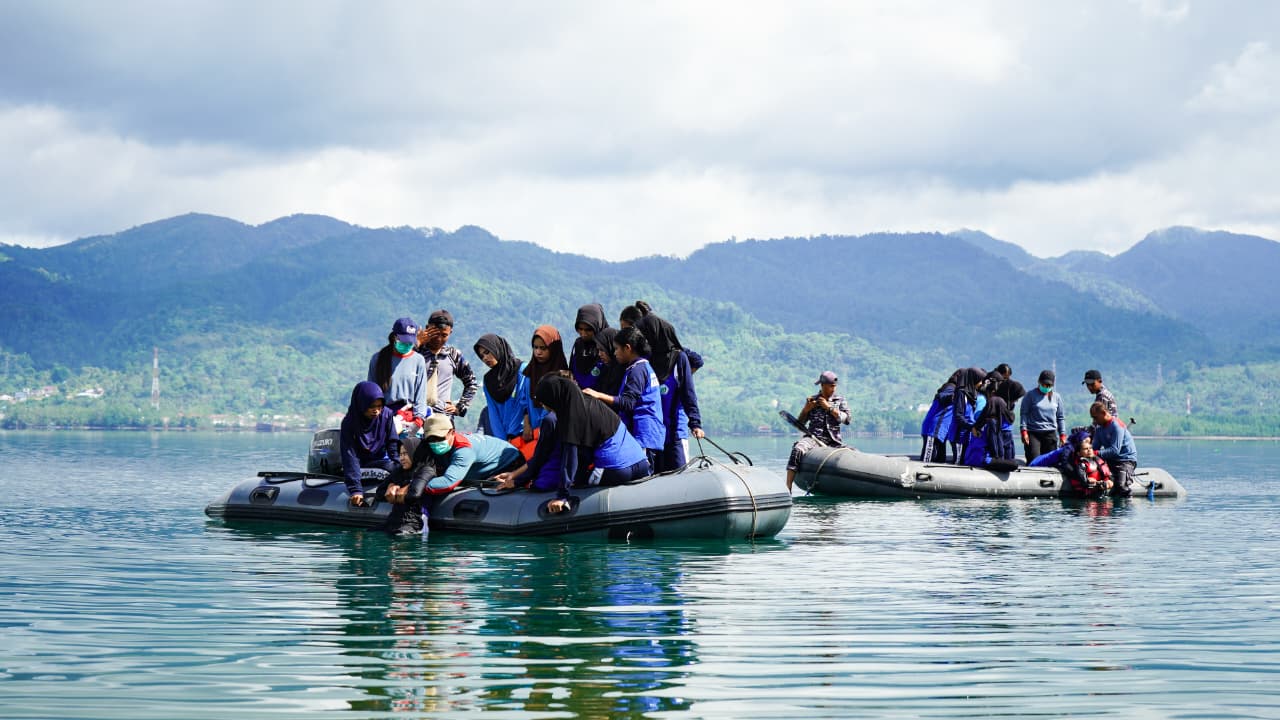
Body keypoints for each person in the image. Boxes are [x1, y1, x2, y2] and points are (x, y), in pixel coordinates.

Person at [523, 374, 651, 514]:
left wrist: (562, 496)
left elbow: (569, 461)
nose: (543, 407)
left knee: (577, 479)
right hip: (641, 463)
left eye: (544, 403)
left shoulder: (570, 417)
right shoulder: (590, 401)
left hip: (617, 471)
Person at [381, 413, 525, 534]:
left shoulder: (464, 451)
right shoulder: (428, 446)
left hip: (510, 462)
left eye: (439, 438)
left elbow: (448, 482)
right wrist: (393, 483)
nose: (435, 443)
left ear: (451, 432)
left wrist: (412, 486)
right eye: (431, 439)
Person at [583, 326, 665, 466]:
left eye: (616, 349)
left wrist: (598, 395)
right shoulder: (640, 367)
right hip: (646, 433)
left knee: (642, 474)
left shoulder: (637, 370)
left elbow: (628, 402)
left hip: (643, 433)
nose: (615, 353)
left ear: (627, 348)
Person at [635, 313, 704, 473]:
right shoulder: (644, 360)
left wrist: (695, 423)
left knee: (679, 475)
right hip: (652, 434)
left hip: (674, 433)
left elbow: (688, 393)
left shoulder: (679, 358)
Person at [785, 371, 851, 491]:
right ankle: (788, 487)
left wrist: (829, 408)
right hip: (813, 438)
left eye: (834, 386)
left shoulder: (840, 400)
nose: (833, 389)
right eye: (831, 386)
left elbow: (847, 420)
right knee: (798, 449)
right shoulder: (812, 400)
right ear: (822, 385)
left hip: (834, 441)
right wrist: (806, 409)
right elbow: (800, 424)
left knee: (853, 454)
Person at [338, 381, 400, 508]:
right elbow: (350, 456)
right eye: (372, 406)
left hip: (380, 461)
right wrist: (356, 490)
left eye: (379, 406)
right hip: (360, 465)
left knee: (396, 466)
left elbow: (392, 444)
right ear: (362, 404)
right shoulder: (349, 423)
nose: (376, 411)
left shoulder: (386, 415)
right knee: (389, 467)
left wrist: (400, 467)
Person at [473, 334, 536, 459]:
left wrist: (526, 424)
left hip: (525, 433)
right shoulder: (488, 381)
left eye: (487, 352)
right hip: (506, 439)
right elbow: (493, 413)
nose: (485, 358)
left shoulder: (522, 370)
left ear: (497, 348)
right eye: (482, 356)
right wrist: (502, 442)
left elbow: (527, 401)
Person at [367, 317, 430, 434]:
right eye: (404, 341)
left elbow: (421, 395)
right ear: (395, 337)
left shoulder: (418, 360)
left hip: (409, 417)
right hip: (383, 416)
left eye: (410, 342)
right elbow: (371, 393)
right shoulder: (378, 359)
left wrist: (418, 421)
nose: (407, 344)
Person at [415, 309, 479, 421]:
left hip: (443, 419)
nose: (439, 339)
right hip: (415, 416)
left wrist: (460, 407)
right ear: (427, 328)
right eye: (435, 334)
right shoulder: (415, 353)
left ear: (450, 333)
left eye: (444, 335)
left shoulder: (453, 355)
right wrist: (416, 343)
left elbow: (471, 383)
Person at [1090, 401, 1137, 496]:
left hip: (1125, 460)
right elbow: (1094, 448)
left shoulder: (1116, 426)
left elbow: (1115, 450)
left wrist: (1095, 453)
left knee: (1120, 486)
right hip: (1111, 461)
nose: (1094, 421)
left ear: (1104, 413)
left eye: (1095, 417)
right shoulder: (1099, 429)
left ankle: (1127, 500)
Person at [1019, 369, 1066, 463]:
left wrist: (1062, 434)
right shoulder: (1030, 395)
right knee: (1034, 459)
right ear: (1039, 382)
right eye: (1044, 384)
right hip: (1033, 432)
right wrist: (1024, 431)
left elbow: (1060, 417)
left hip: (1050, 433)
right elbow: (1024, 414)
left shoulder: (1056, 397)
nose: (1046, 387)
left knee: (1050, 461)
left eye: (1049, 385)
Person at [570, 303, 610, 390]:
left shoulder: (608, 345)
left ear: (598, 326)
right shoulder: (578, 345)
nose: (583, 333)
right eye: (580, 329)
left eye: (588, 329)